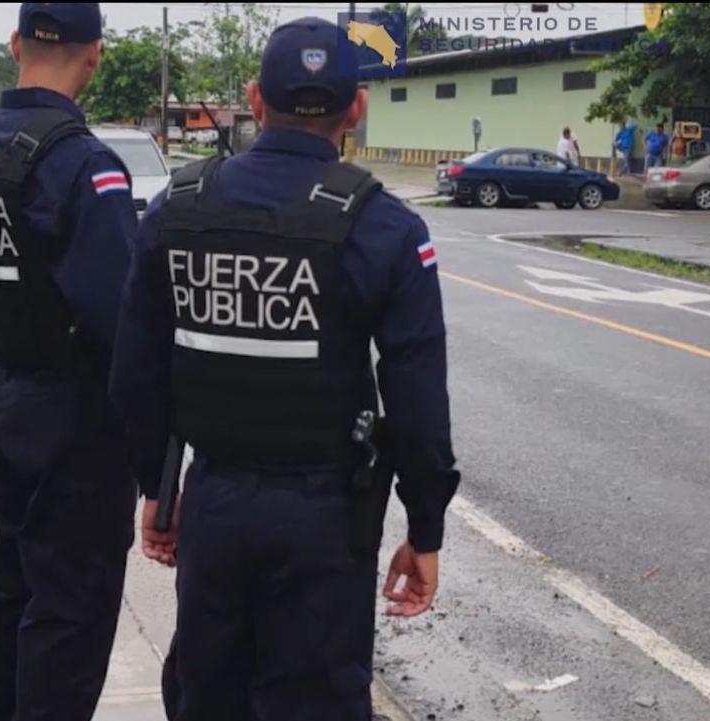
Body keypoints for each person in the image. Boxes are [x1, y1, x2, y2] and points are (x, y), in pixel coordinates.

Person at [111, 16, 460, 721]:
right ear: (356, 107)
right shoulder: (385, 228)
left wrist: (161, 487)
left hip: (213, 506)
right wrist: (425, 530)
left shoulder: (176, 210)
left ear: (254, 97)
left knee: (208, 694)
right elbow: (417, 398)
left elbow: (135, 373)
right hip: (324, 522)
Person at [0, 5, 138, 721]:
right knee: (71, 604)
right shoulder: (84, 164)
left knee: (13, 578)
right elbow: (124, 321)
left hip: (6, 393)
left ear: (18, 43)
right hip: (76, 415)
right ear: (96, 57)